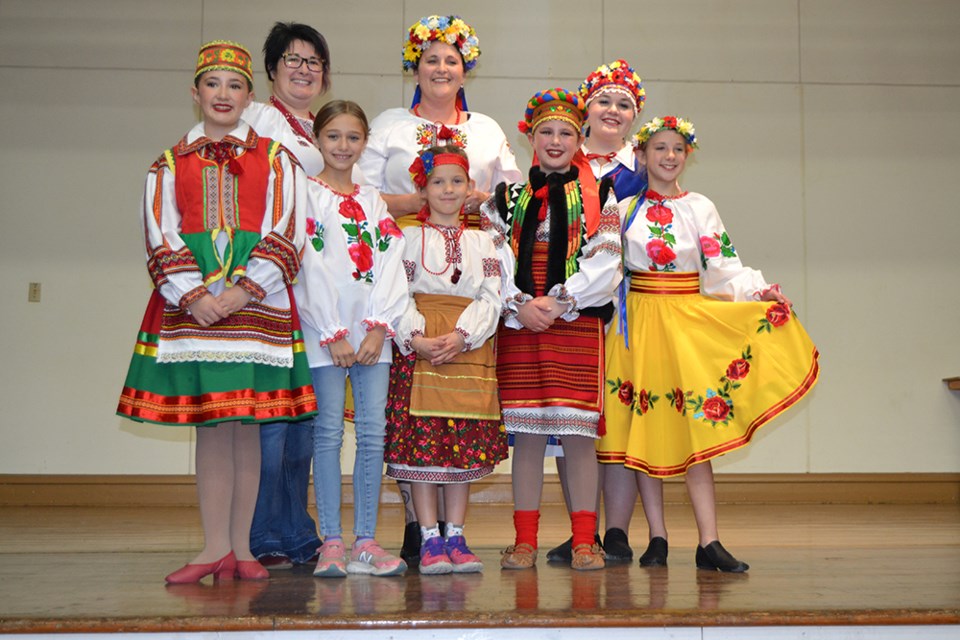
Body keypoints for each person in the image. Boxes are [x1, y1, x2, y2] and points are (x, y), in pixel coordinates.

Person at [116, 40, 316, 583]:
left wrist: (246, 288)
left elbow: (289, 229)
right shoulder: (167, 163)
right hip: (193, 305)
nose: (223, 94)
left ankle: (243, 550)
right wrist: (194, 294)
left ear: (250, 96)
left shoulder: (278, 159)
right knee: (212, 423)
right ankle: (213, 547)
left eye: (234, 85)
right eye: (212, 84)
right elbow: (160, 231)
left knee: (246, 423)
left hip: (257, 303)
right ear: (195, 92)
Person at [599, 116, 820, 572]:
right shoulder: (621, 210)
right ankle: (657, 537)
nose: (669, 156)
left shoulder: (700, 206)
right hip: (638, 325)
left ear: (687, 155)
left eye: (677, 149)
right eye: (659, 148)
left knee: (696, 427)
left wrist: (761, 292)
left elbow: (724, 265)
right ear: (640, 155)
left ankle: (709, 540)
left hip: (685, 323)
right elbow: (603, 271)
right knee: (647, 427)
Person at [357, 14, 522, 566]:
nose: (441, 67)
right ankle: (419, 529)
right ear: (415, 65)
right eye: (431, 58)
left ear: (465, 66)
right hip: (403, 260)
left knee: (455, 418)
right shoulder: (389, 126)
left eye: (451, 59)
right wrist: (416, 206)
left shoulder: (487, 130)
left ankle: (448, 532)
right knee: (413, 414)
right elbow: (358, 193)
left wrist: (480, 207)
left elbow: (511, 197)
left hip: (471, 271)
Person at [481, 89, 622, 571]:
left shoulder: (600, 195)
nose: (556, 140)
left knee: (579, 434)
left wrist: (560, 301)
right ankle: (524, 540)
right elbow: (493, 261)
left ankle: (585, 539)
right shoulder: (506, 199)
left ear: (580, 137)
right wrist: (520, 304)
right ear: (531, 137)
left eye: (566, 132)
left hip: (575, 322)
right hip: (521, 323)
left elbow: (607, 264)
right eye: (546, 132)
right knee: (529, 435)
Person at [294, 100, 409, 578]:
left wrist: (380, 324)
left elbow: (390, 259)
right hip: (325, 333)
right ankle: (332, 542)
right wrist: (332, 330)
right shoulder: (305, 195)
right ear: (318, 140)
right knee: (326, 433)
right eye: (334, 136)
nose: (344, 146)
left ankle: (366, 538)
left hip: (371, 335)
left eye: (353, 137)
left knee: (371, 432)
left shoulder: (372, 199)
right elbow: (305, 263)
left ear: (365, 142)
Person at [385, 145, 507, 574]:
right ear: (423, 188)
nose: (448, 189)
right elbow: (395, 293)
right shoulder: (405, 237)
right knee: (422, 447)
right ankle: (428, 536)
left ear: (470, 187)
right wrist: (416, 337)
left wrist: (462, 335)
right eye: (438, 181)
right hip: (420, 349)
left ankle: (456, 533)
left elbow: (492, 295)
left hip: (466, 348)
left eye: (457, 181)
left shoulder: (483, 240)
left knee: (459, 446)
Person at [549, 59, 649, 564]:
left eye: (624, 104)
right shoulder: (565, 160)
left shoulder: (646, 169)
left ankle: (616, 532)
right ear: (586, 107)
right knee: (575, 422)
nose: (613, 110)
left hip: (632, 311)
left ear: (635, 116)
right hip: (575, 307)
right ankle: (580, 528)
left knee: (622, 418)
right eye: (604, 101)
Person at [242, 21, 331, 570]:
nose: (304, 69)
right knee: (269, 421)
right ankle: (262, 531)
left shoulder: (325, 127)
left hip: (316, 292)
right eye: (293, 59)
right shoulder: (256, 118)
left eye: (314, 62)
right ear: (272, 68)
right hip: (269, 286)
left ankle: (298, 527)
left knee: (305, 420)